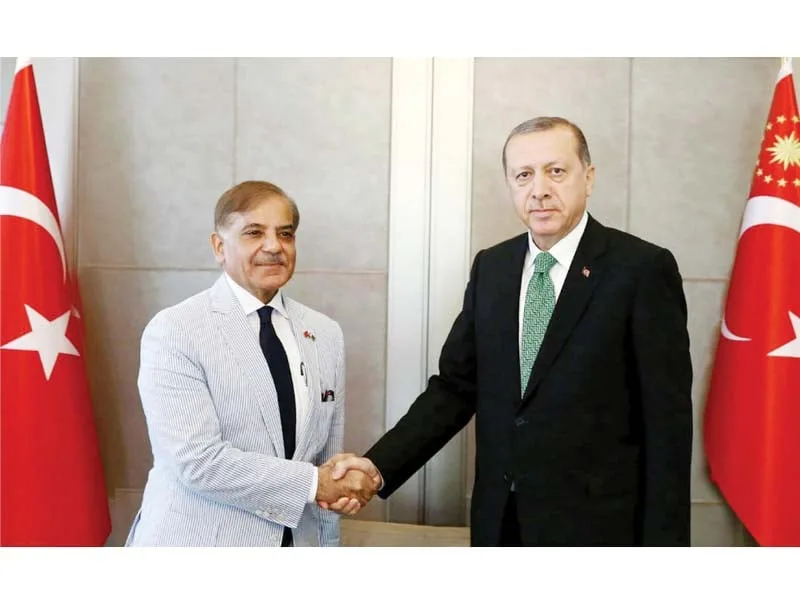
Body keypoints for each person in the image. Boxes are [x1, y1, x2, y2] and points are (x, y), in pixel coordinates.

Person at [326, 116, 693, 546]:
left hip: (598, 531)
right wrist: (378, 467)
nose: (539, 189)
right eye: (523, 175)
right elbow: (455, 389)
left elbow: (666, 426)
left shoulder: (641, 270)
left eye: (556, 171)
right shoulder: (493, 268)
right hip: (500, 524)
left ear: (588, 177)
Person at [125, 180, 378, 547]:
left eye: (285, 234)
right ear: (219, 247)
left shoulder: (325, 334)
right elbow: (199, 461)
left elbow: (327, 463)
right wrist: (314, 484)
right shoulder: (176, 330)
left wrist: (328, 538)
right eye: (254, 232)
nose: (274, 246)